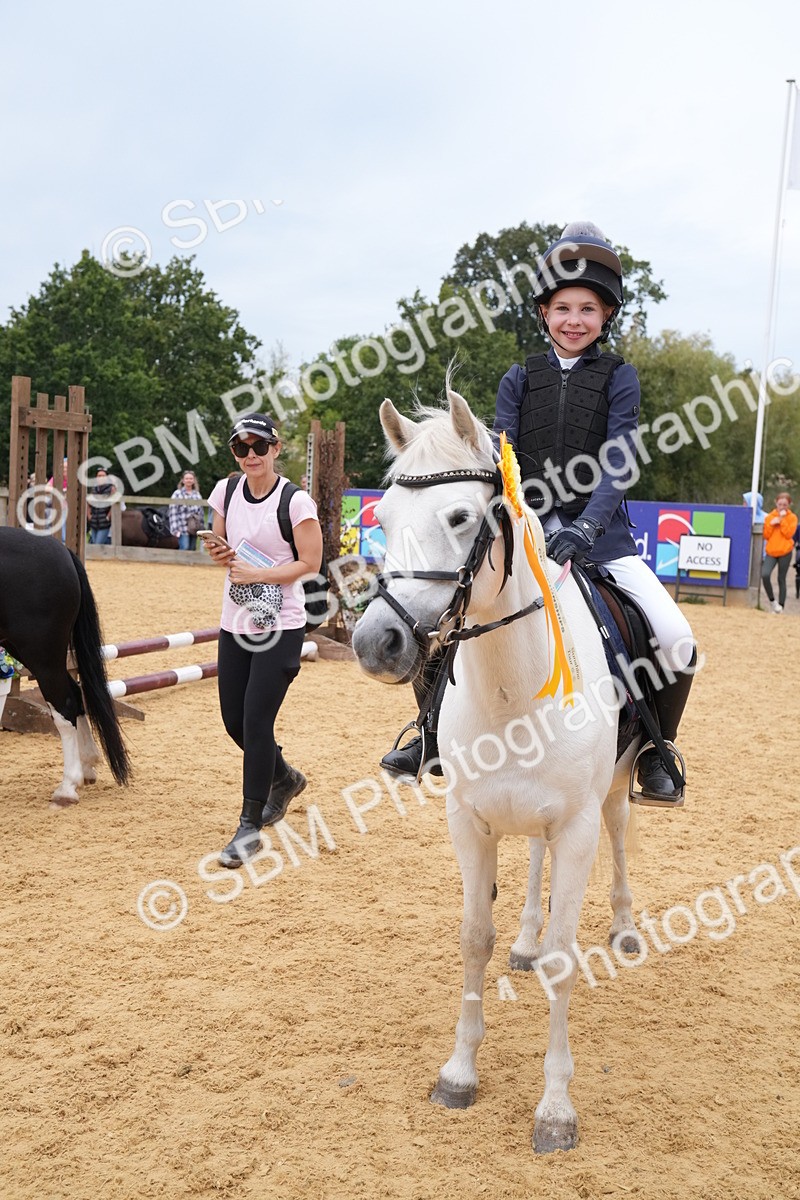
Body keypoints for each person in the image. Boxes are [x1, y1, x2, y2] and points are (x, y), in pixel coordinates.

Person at [381, 222, 696, 805]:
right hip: (528, 537)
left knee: (677, 639)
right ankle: (428, 731)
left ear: (605, 316)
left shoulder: (619, 378)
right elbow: (506, 462)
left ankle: (657, 748)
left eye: (587, 309)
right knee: (449, 613)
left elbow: (619, 461)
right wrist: (538, 525)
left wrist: (586, 527)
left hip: (605, 542)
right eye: (562, 308)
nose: (574, 320)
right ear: (544, 312)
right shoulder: (519, 378)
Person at [205, 413, 323, 867]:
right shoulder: (227, 490)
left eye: (259, 446)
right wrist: (216, 549)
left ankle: (248, 826)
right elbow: (216, 539)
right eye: (241, 448)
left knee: (255, 722)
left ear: (276, 449)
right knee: (234, 721)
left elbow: (310, 562)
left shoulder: (295, 503)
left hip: (282, 624)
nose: (250, 455)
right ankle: (285, 776)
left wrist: (262, 573)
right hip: (235, 619)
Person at [761, 492, 797, 613]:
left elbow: (789, 534)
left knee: (781, 578)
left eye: (785, 504)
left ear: (789, 505)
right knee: (765, 574)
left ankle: (781, 606)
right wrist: (772, 524)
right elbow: (766, 535)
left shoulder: (792, 518)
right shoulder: (769, 517)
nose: (782, 506)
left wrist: (782, 521)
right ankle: (773, 602)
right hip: (771, 551)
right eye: (780, 504)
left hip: (785, 551)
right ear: (776, 503)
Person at [169, 470, 204, 550]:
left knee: (192, 549)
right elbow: (173, 512)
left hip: (194, 528)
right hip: (182, 528)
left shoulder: (197, 495)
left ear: (194, 480)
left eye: (191, 478)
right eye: (187, 478)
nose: (189, 480)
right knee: (185, 547)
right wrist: (175, 530)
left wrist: (201, 527)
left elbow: (201, 512)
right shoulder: (177, 494)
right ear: (183, 480)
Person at [87, 468, 114, 544]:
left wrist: (108, 517)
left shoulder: (111, 488)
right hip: (94, 521)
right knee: (94, 543)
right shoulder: (94, 489)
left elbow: (114, 505)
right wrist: (89, 515)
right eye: (99, 476)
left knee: (98, 544)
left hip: (104, 522)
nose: (100, 478)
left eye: (103, 476)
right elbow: (88, 503)